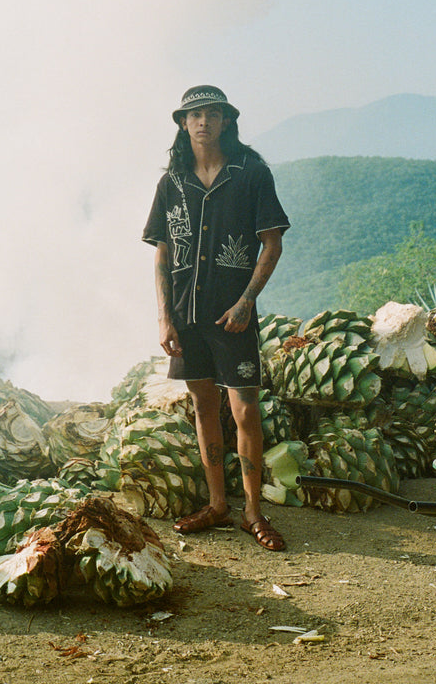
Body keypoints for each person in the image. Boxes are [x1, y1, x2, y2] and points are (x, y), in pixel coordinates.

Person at [142, 85, 290, 551]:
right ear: (183, 124)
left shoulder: (252, 173)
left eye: (211, 113)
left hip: (233, 317)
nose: (203, 122)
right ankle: (218, 504)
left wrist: (246, 301)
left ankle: (253, 512)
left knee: (245, 410)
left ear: (226, 121)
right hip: (186, 316)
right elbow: (162, 254)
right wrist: (164, 319)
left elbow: (272, 244)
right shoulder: (171, 183)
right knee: (204, 407)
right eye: (194, 115)